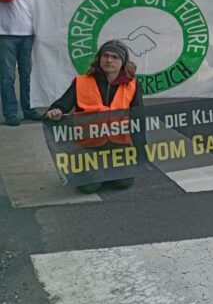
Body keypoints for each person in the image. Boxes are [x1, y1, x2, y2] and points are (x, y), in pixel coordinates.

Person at [44, 40, 144, 193]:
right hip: (88, 146)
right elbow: (60, 105)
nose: (109, 60)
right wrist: (54, 112)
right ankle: (95, 171)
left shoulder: (133, 85)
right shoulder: (81, 82)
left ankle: (105, 170)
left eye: (115, 57)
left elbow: (138, 119)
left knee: (123, 183)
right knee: (89, 187)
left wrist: (140, 151)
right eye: (106, 55)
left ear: (123, 61)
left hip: (118, 147)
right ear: (99, 58)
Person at [0, 0, 41, 126]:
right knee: (8, 76)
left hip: (28, 35)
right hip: (6, 35)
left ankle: (29, 109)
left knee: (27, 75)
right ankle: (10, 113)